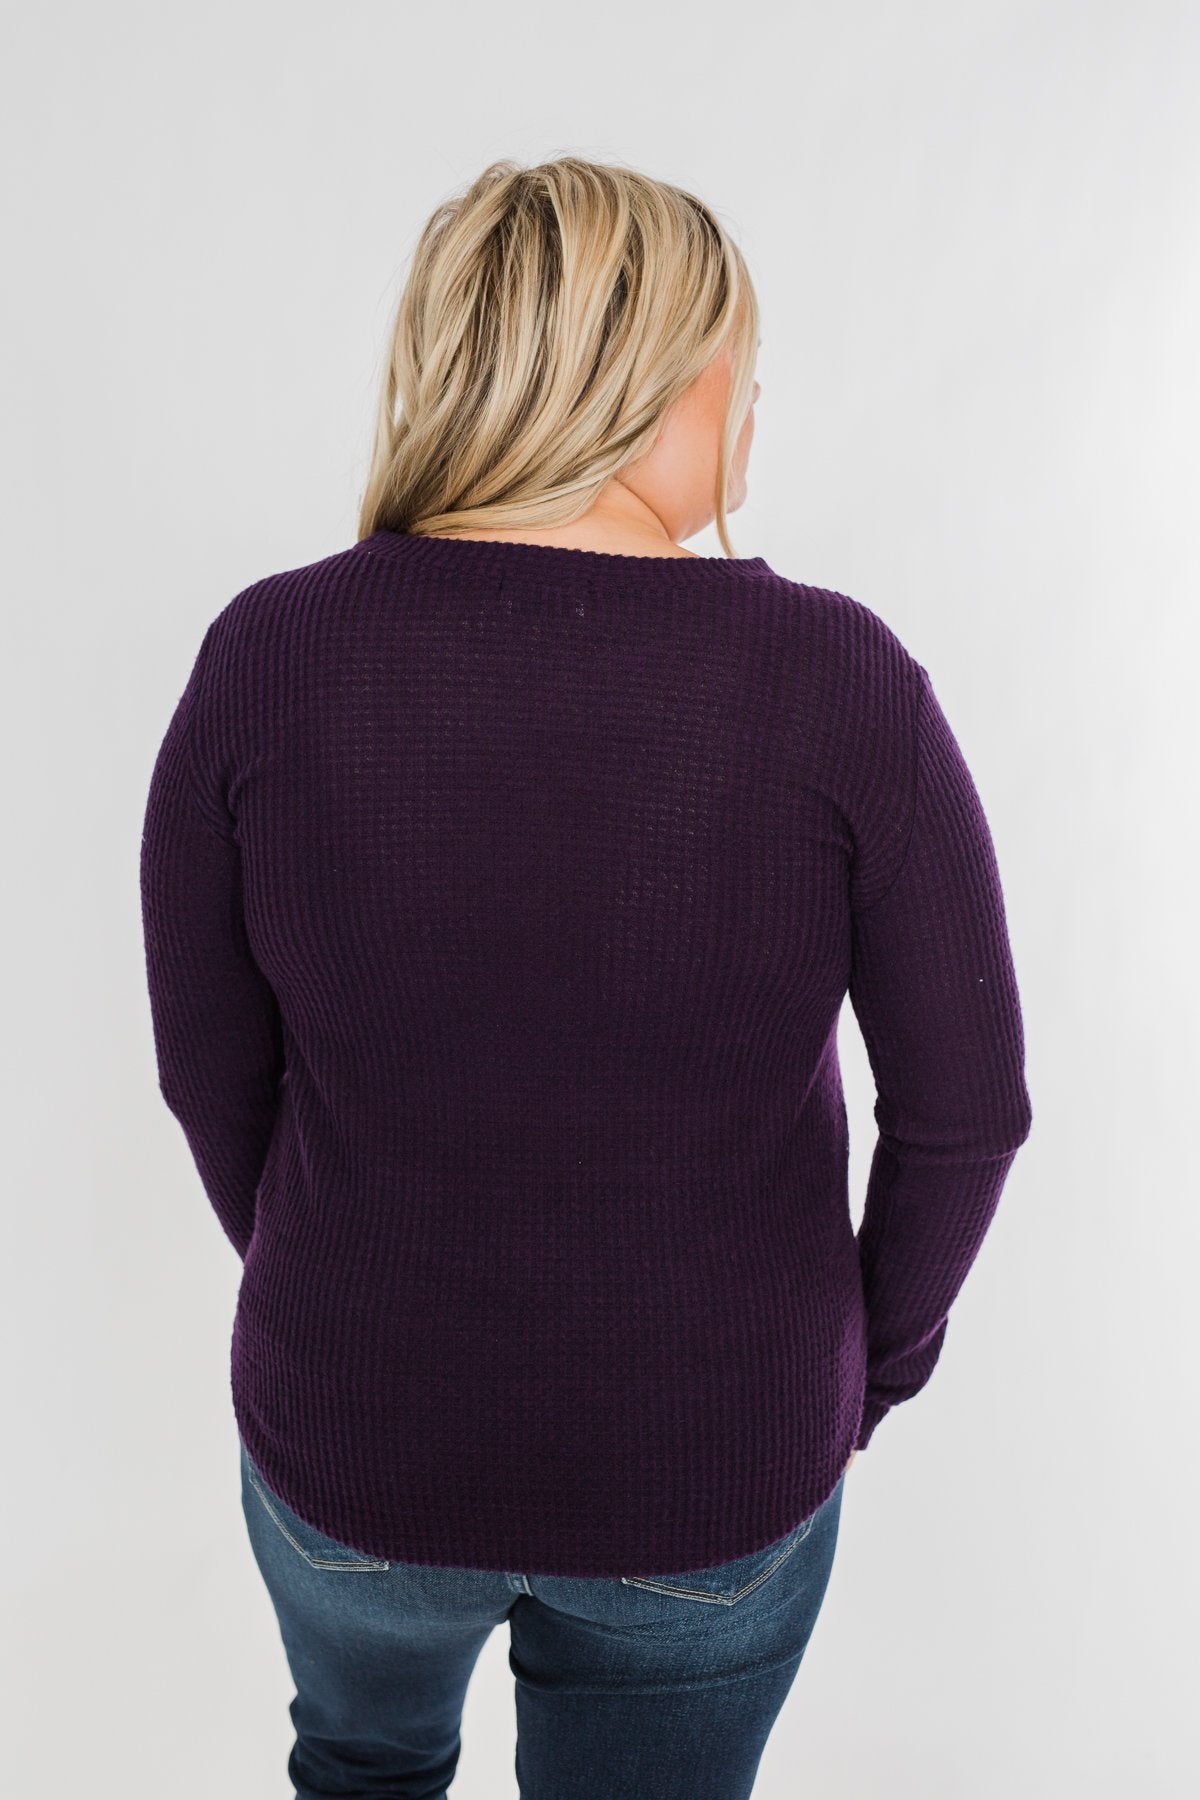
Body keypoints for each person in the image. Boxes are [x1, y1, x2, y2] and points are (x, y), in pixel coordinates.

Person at [140, 154, 1033, 1800]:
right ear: (671, 382)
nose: (752, 415)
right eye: (743, 373)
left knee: (356, 1765)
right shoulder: (837, 680)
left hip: (351, 1440)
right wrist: (866, 1370)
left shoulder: (267, 656)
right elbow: (967, 1116)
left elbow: (211, 1075)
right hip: (709, 1471)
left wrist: (340, 1284)